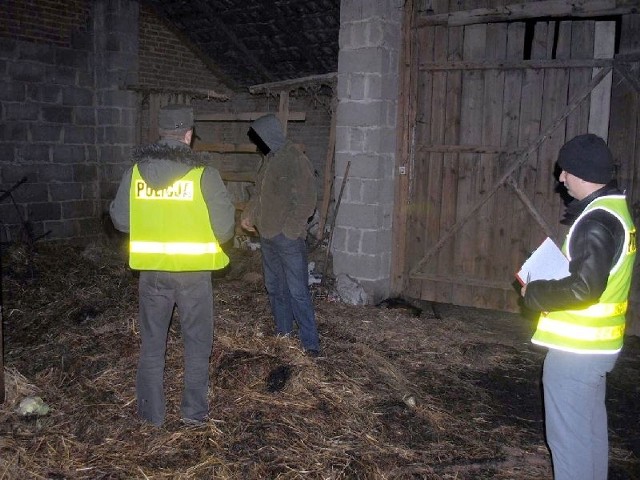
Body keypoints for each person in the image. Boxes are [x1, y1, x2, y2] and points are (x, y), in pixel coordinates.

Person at [110, 104, 235, 426]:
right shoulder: (204, 174)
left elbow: (121, 221)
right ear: (189, 136)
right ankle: (194, 415)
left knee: (152, 346)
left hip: (152, 273)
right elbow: (224, 230)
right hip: (193, 276)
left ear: (161, 133)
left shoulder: (135, 172)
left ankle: (151, 417)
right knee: (196, 345)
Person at [521, 134, 636, 479]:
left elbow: (585, 288)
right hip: (597, 349)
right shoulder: (616, 211)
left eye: (565, 171)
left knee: (569, 443)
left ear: (582, 173)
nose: (561, 178)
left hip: (576, 352)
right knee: (589, 437)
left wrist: (536, 293)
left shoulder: (596, 221)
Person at [240, 114, 321, 357]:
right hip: (266, 235)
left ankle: (311, 345)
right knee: (275, 287)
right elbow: (259, 194)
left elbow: (308, 199)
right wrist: (249, 215)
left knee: (297, 291)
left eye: (260, 137)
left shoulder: (296, 159)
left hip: (287, 238)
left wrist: (291, 229)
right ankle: (283, 336)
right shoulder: (268, 160)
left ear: (271, 134)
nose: (258, 143)